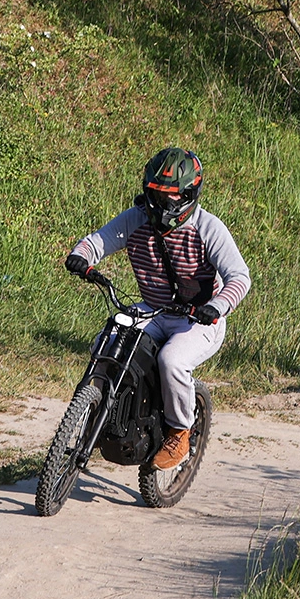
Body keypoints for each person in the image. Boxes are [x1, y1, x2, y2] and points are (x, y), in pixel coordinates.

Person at [64, 147, 251, 470]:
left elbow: (239, 277)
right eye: (154, 194)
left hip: (198, 319)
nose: (159, 204)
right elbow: (98, 241)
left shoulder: (208, 229)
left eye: (169, 198)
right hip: (153, 308)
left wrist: (217, 306)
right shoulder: (136, 219)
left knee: (172, 360)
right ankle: (98, 407)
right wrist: (82, 256)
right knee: (105, 343)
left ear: (190, 195)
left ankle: (179, 432)